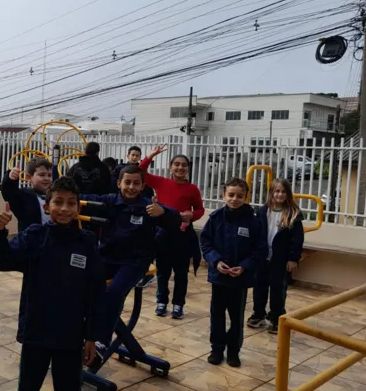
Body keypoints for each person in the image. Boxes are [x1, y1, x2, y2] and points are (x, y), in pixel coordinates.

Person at [0, 177, 105, 390]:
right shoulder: (35, 237)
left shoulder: (87, 243)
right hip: (36, 332)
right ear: (47, 207)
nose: (65, 208)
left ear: (77, 208)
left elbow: (96, 292)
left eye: (71, 203)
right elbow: (2, 260)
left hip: (71, 335)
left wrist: (91, 335)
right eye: (58, 202)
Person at [79, 165, 181, 366]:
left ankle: (101, 342)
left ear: (143, 185)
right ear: (119, 183)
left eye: (136, 183)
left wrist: (163, 212)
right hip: (107, 258)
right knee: (84, 287)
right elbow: (83, 198)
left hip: (134, 263)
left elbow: (174, 221)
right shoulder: (109, 201)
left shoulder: (149, 207)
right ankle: (82, 337)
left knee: (114, 293)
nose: (131, 187)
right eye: (127, 182)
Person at [200, 178, 266, 368]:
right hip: (219, 278)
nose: (235, 199)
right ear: (224, 196)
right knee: (217, 315)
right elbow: (206, 243)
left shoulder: (253, 221)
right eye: (231, 195)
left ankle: (233, 352)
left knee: (236, 317)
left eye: (240, 196)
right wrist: (216, 261)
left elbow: (259, 250)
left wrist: (244, 266)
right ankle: (217, 349)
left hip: (240, 280)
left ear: (246, 197)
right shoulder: (215, 218)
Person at [140, 145, 205, 319]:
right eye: (176, 164)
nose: (180, 167)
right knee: (163, 271)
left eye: (184, 165)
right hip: (163, 233)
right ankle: (161, 301)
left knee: (181, 273)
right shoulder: (161, 182)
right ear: (170, 167)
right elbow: (140, 172)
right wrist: (151, 155)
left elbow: (200, 209)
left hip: (183, 235)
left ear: (188, 169)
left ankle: (178, 304)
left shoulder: (192, 189)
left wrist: (191, 216)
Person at [247, 178, 303, 335]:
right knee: (259, 288)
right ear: (271, 193)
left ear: (288, 194)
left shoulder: (293, 214)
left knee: (278, 290)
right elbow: (256, 233)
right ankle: (258, 314)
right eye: (276, 191)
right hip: (262, 257)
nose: (280, 194)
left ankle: (277, 318)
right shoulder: (263, 211)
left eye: (283, 191)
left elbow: (297, 239)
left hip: (281, 259)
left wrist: (293, 258)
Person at [1, 157, 53, 232]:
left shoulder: (54, 196)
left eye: (49, 175)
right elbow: (10, 193)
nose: (46, 178)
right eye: (42, 175)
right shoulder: (24, 197)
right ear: (28, 177)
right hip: (31, 242)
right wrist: (11, 180)